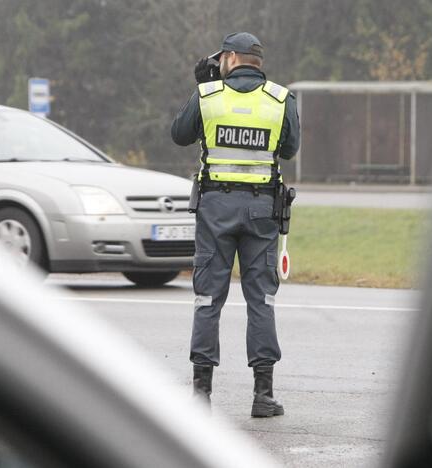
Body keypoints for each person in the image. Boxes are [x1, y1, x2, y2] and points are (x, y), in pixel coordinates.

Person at [171, 32, 300, 417]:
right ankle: (263, 396)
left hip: (215, 209)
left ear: (228, 58)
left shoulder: (208, 96)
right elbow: (290, 149)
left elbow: (179, 135)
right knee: (261, 299)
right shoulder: (280, 99)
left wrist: (202, 86)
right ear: (257, 61)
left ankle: (201, 394)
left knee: (208, 298)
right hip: (262, 210)